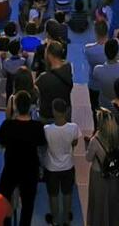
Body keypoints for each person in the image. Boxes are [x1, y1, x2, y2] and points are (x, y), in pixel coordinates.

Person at [0, 89, 46, 226]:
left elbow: (1, 144)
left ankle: (6, 223)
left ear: (15, 106)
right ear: (30, 106)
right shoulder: (37, 127)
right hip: (30, 170)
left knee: (4, 197)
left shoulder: (7, 125)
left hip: (11, 169)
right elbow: (41, 144)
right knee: (28, 205)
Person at [43, 97, 80, 226]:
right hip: (68, 166)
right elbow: (75, 142)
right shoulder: (73, 127)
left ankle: (54, 220)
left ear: (54, 111)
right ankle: (66, 220)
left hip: (51, 167)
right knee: (67, 192)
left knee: (53, 194)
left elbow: (45, 145)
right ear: (66, 111)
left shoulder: (47, 129)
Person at [85, 108, 119, 226]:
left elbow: (88, 158)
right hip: (114, 173)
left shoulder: (95, 140)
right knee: (112, 200)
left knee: (98, 202)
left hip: (98, 174)